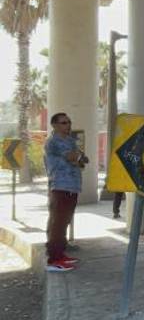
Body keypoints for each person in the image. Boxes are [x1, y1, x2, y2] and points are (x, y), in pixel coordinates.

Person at [43, 112, 87, 272]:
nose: (68, 125)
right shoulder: (52, 142)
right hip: (60, 186)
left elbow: (80, 160)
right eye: (63, 122)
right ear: (54, 125)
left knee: (64, 222)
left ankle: (60, 254)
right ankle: (53, 260)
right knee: (58, 223)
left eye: (69, 122)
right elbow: (68, 158)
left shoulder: (70, 141)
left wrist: (78, 159)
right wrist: (74, 158)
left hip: (73, 186)